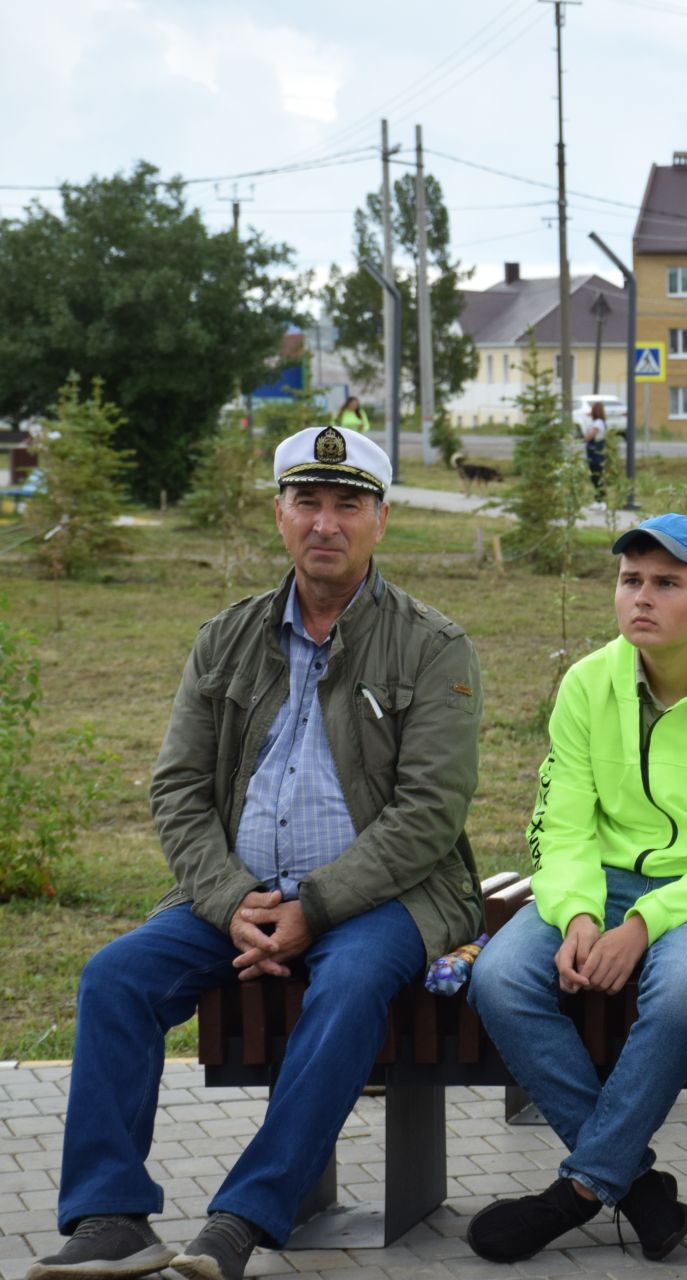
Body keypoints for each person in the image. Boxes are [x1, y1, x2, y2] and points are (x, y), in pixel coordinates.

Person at [30, 427, 484, 1280]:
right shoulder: (225, 638)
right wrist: (231, 898)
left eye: (348, 504)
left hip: (387, 900)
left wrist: (312, 907)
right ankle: (109, 1216)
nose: (325, 523)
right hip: (234, 898)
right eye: (306, 501)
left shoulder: (431, 645)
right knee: (115, 978)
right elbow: (178, 789)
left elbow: (429, 812)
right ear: (279, 513)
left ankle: (243, 1218)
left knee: (348, 984)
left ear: (380, 520)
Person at [464, 514, 687, 1262]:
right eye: (630, 581)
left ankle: (580, 1191)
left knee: (679, 991)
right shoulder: (588, 683)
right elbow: (562, 823)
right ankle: (634, 1184)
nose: (641, 598)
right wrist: (580, 910)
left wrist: (644, 923)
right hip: (599, 883)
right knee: (500, 977)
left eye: (667, 584)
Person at [582, 401, 610, 498]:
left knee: (596, 477)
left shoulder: (598, 423)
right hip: (597, 453)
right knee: (597, 477)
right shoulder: (600, 422)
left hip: (596, 455)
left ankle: (600, 500)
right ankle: (599, 499)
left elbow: (589, 437)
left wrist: (586, 434)